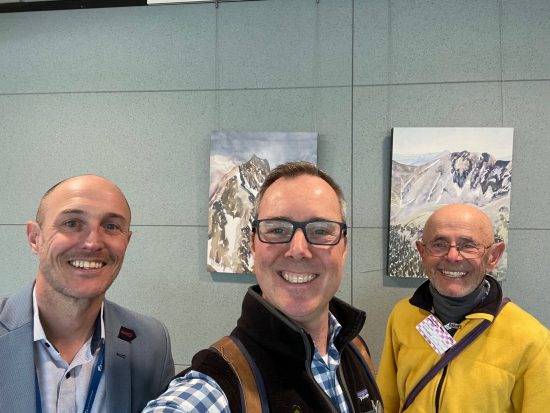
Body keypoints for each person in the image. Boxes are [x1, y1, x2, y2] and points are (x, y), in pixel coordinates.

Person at [144, 161, 382, 412]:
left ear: (344, 246)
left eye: (321, 230)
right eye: (278, 229)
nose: (298, 250)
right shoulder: (221, 383)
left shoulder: (355, 349)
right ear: (253, 245)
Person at [0, 174, 175, 412]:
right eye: (72, 223)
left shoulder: (151, 342)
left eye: (111, 226)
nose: (92, 243)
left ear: (127, 241)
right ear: (35, 238)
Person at [377, 203, 550, 412]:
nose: (452, 256)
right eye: (439, 244)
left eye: (468, 245)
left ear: (493, 256)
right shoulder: (403, 315)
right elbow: (387, 400)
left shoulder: (531, 339)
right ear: (422, 252)